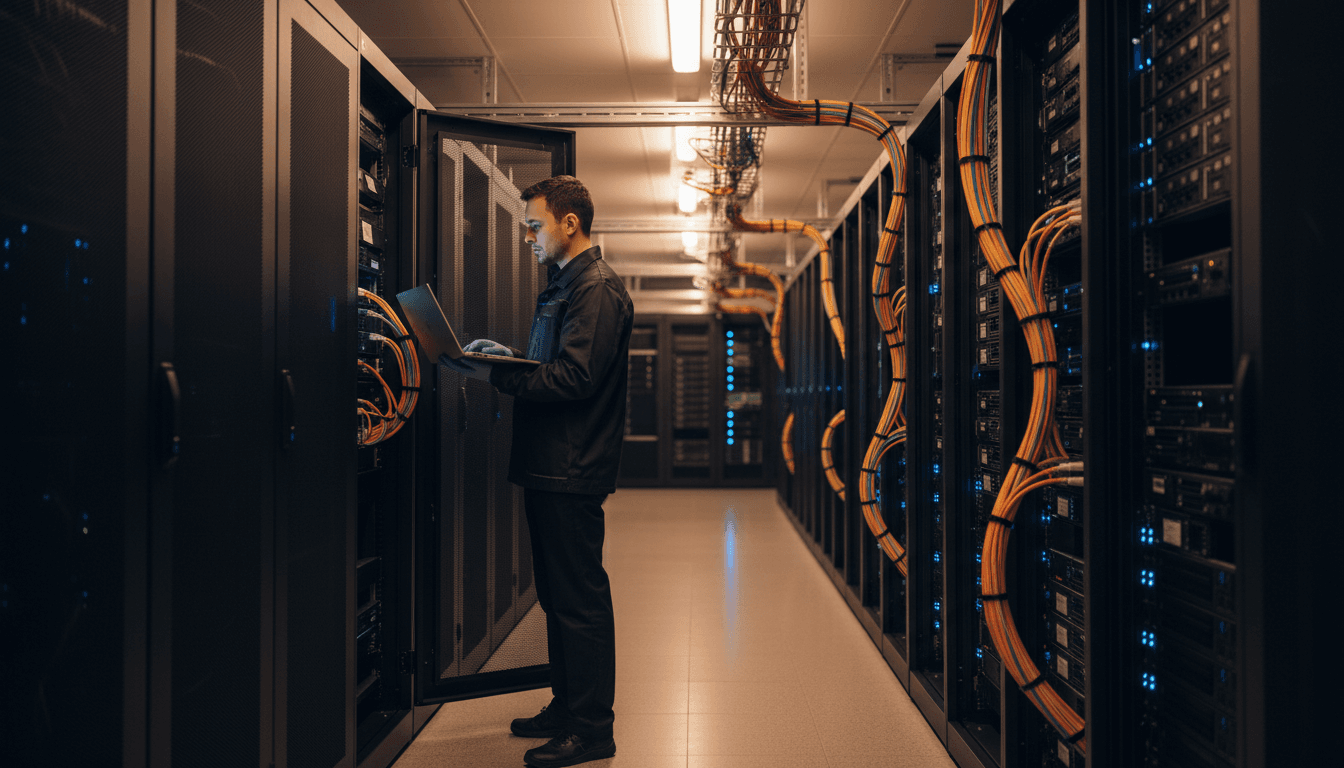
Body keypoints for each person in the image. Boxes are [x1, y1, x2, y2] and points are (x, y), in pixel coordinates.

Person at [445, 175, 633, 768]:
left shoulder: (596, 289)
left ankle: (592, 728)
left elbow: (576, 379)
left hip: (572, 467)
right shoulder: (564, 286)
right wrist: (507, 360)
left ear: (568, 223)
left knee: (578, 599)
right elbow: (553, 365)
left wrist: (497, 376)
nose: (528, 236)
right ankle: (566, 705)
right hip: (549, 463)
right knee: (557, 597)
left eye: (533, 225)